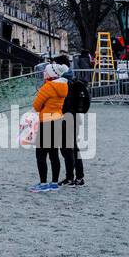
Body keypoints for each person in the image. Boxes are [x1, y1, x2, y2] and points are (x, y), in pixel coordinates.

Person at [30, 61, 69, 192]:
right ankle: (54, 183)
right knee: (54, 154)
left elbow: (36, 106)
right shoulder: (64, 86)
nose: (43, 74)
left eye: (45, 72)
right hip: (58, 119)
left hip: (46, 121)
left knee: (41, 154)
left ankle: (43, 183)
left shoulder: (47, 87)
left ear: (50, 74)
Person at [59, 54, 89, 186]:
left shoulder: (65, 83)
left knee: (67, 149)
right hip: (74, 118)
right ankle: (78, 176)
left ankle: (71, 177)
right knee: (73, 148)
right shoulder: (73, 80)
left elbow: (65, 104)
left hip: (67, 118)